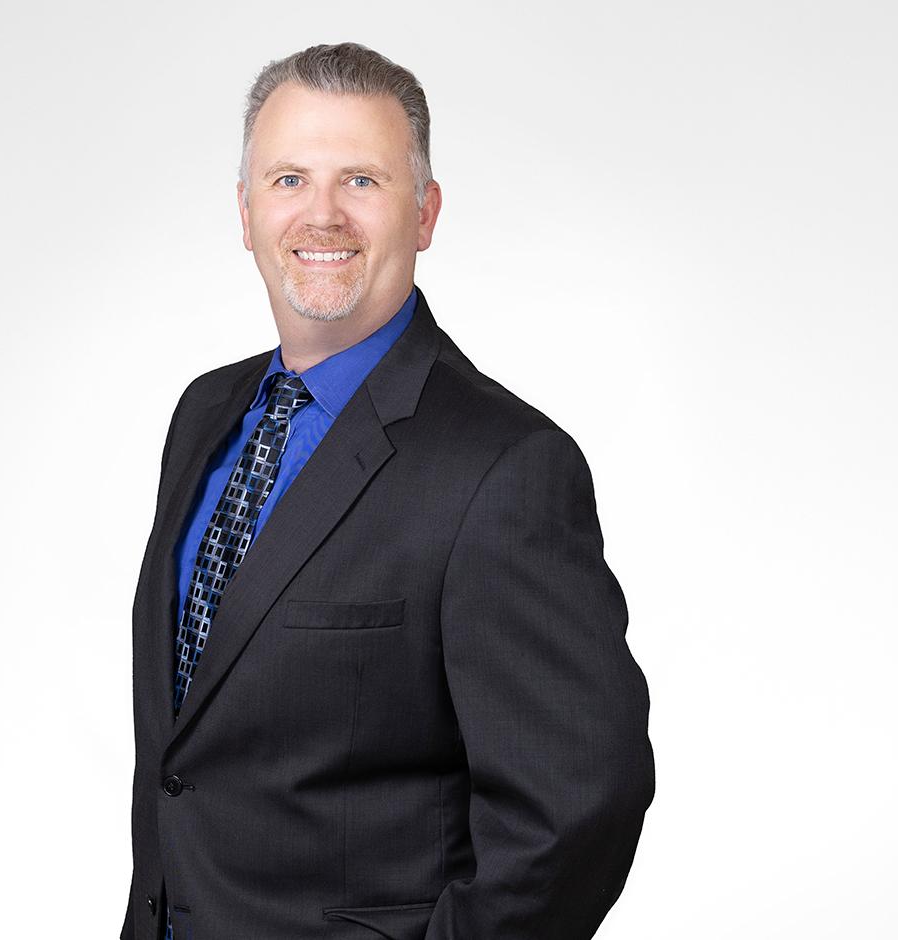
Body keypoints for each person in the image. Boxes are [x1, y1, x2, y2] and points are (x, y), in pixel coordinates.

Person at [120, 42, 654, 940]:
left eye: (361, 181)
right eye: (288, 179)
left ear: (426, 212)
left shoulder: (506, 468)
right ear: (246, 211)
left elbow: (577, 810)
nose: (321, 214)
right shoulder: (205, 415)